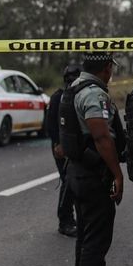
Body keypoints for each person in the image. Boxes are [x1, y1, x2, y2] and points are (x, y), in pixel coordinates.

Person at [59, 51, 125, 266]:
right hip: (91, 175)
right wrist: (117, 174)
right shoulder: (93, 94)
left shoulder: (75, 87)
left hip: (77, 172)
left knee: (87, 237)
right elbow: (100, 135)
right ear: (107, 68)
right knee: (96, 240)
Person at [45, 63, 82, 237]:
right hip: (62, 147)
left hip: (77, 146)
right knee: (68, 183)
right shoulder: (58, 97)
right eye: (69, 78)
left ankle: (76, 218)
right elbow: (50, 124)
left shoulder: (81, 95)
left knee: (77, 183)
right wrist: (57, 144)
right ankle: (65, 220)